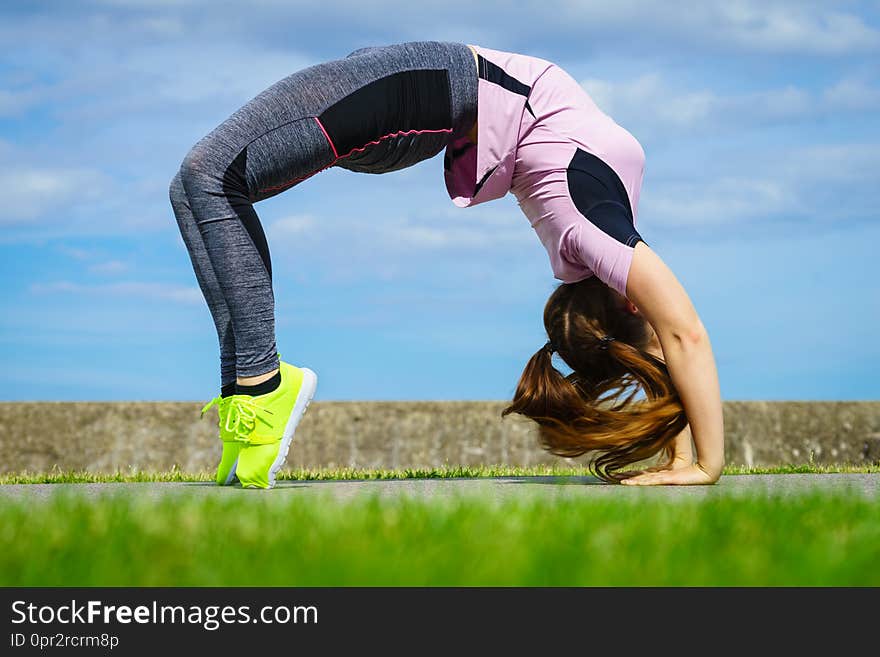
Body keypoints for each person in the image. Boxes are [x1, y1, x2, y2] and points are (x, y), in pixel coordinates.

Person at [169, 41, 724, 489]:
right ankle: (245, 398)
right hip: (436, 100)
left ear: (626, 300)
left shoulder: (587, 227)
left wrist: (705, 464)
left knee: (210, 177)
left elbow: (683, 334)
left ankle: (261, 388)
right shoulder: (600, 239)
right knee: (192, 188)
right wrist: (681, 450)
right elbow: (659, 337)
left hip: (433, 93)